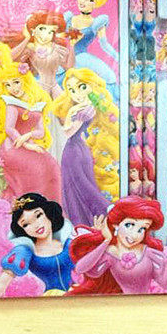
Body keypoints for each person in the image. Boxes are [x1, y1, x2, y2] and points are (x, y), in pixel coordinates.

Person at [68, 196, 167, 295]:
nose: (135, 235)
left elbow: (166, 283)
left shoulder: (149, 253)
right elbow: (80, 268)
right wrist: (106, 240)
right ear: (116, 225)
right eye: (129, 225)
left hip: (146, 305)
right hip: (120, 305)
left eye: (142, 229)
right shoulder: (110, 253)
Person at [51, 68, 119, 224]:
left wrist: (73, 118)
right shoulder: (84, 107)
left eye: (82, 87)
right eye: (71, 90)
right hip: (79, 149)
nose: (77, 94)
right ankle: (92, 217)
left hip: (74, 151)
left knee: (79, 185)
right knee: (81, 184)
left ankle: (105, 209)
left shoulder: (83, 109)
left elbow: (67, 132)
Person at [0, 62, 61, 203]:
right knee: (35, 167)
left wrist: (29, 136)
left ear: (25, 80)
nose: (13, 88)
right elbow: (9, 129)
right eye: (8, 85)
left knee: (51, 165)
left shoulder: (37, 102)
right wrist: (27, 144)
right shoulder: (11, 103)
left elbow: (41, 131)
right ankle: (29, 204)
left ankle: (47, 207)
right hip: (13, 146)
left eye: (16, 82)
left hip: (28, 143)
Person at [0, 194, 75, 297]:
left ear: (48, 213)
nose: (36, 225)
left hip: (81, 298)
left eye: (38, 215)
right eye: (26, 224)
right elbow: (1, 284)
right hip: (51, 301)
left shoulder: (70, 243)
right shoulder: (24, 251)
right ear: (22, 230)